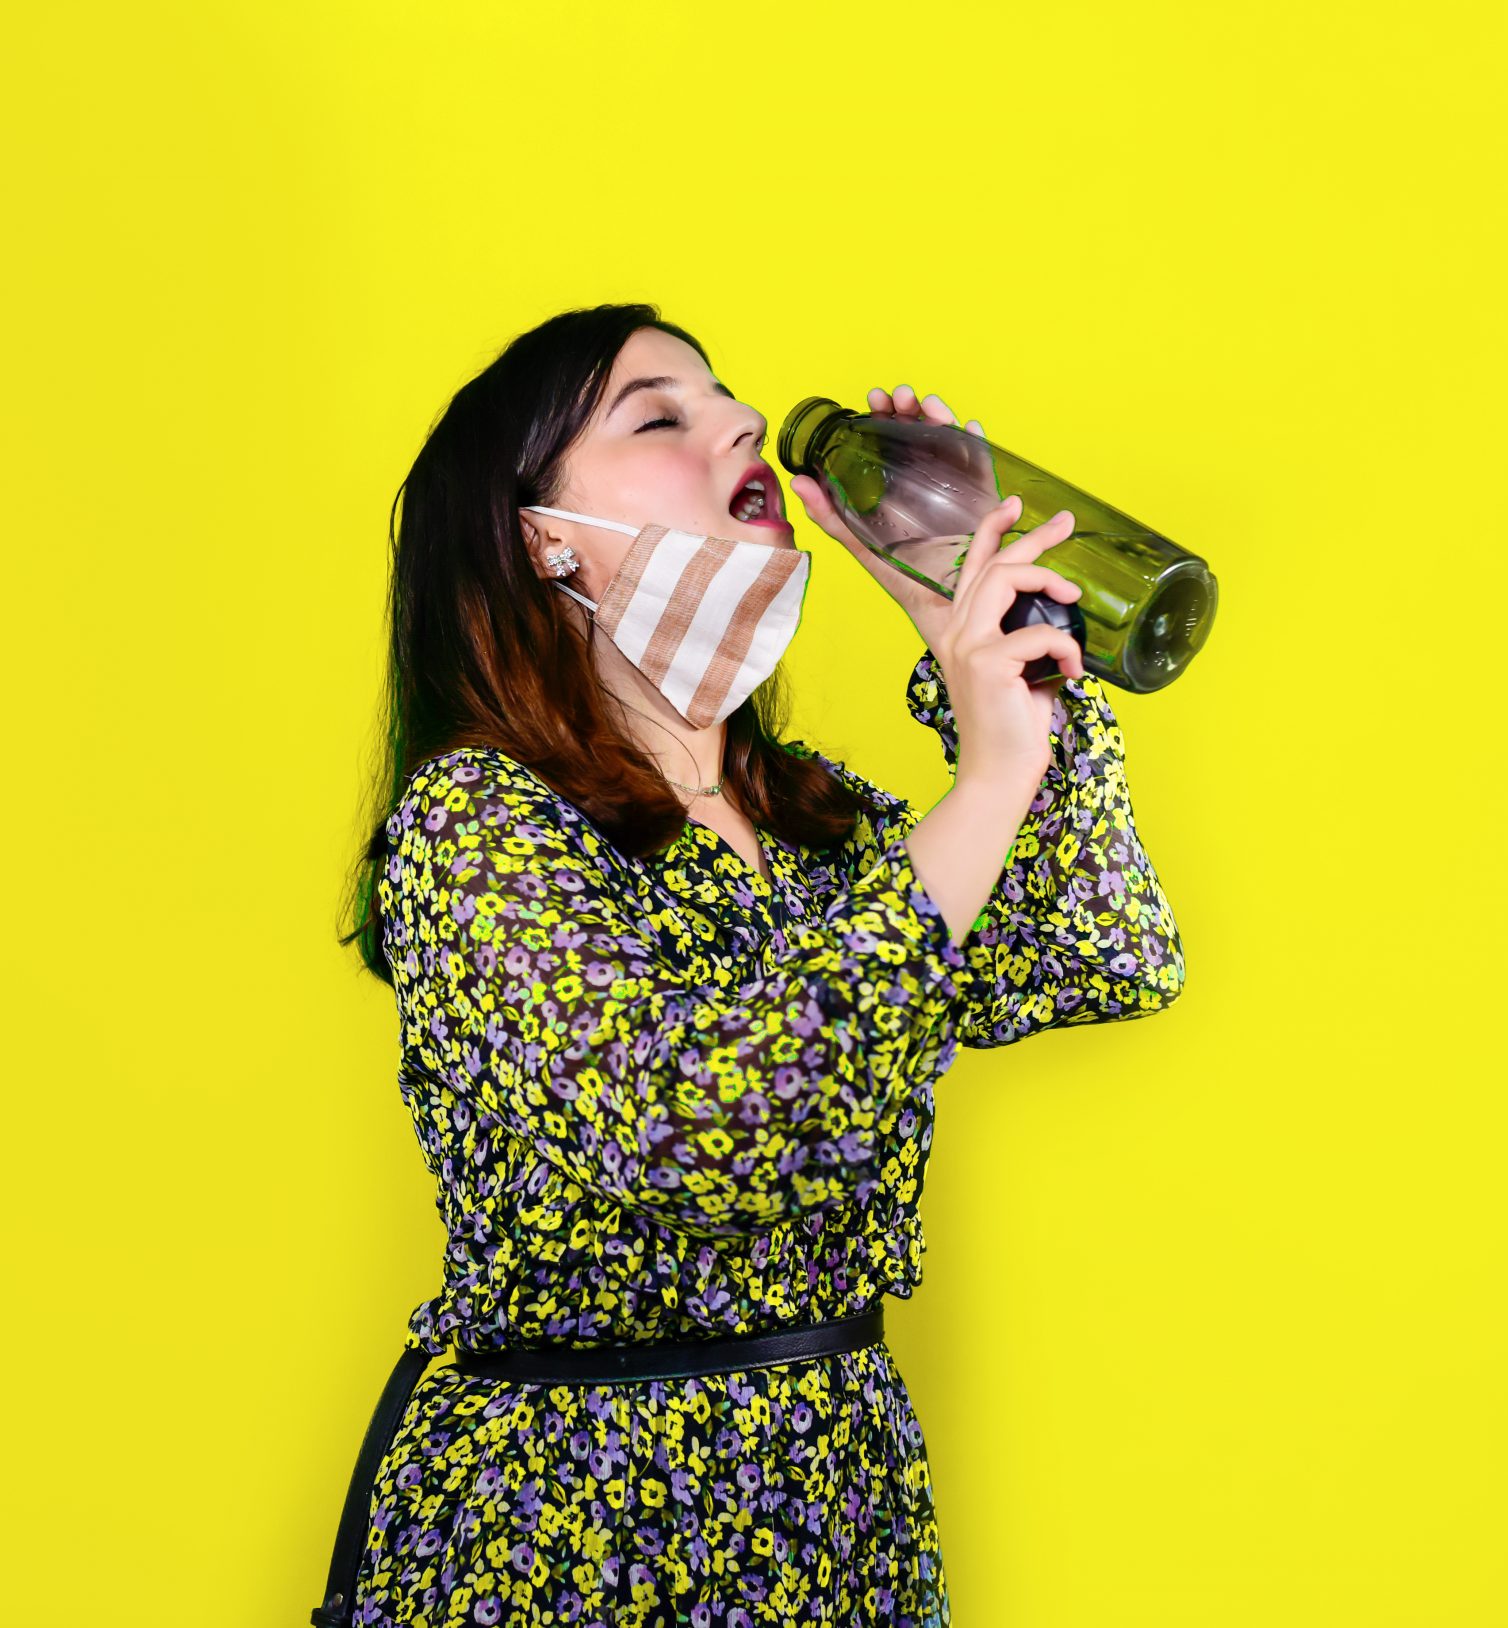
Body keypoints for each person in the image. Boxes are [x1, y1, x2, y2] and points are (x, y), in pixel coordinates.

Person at [317, 304, 1189, 1627]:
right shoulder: (478, 824)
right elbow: (707, 1125)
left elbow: (1104, 952)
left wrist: (984, 642)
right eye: (659, 416)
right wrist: (988, 782)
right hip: (574, 1536)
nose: (738, 424)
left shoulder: (818, 826)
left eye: (727, 400)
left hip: (839, 1519)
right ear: (542, 538)